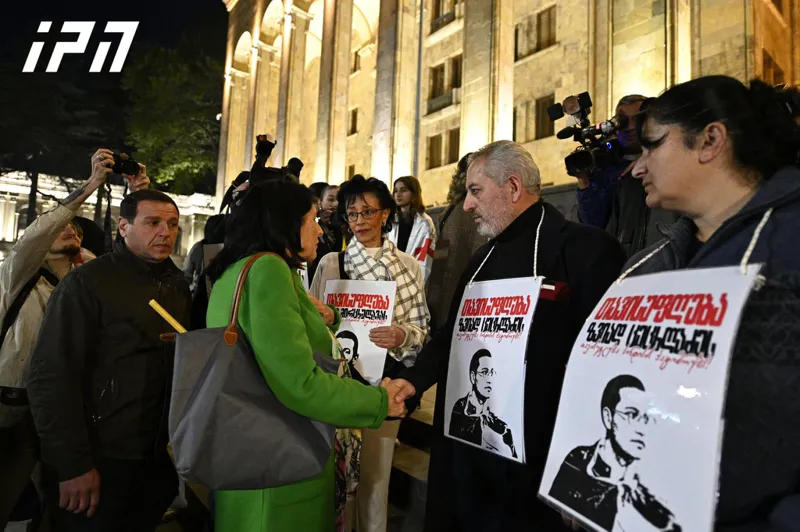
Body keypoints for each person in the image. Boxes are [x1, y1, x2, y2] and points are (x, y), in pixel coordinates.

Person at [385, 140, 625, 530]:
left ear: (513, 188)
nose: (466, 205)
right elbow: (453, 336)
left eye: (476, 191)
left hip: (532, 463)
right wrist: (413, 381)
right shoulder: (481, 260)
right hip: (468, 459)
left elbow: (600, 366)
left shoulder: (587, 251)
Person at [620, 75, 800, 530]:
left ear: (710, 141)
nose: (637, 168)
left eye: (652, 146)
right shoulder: (654, 262)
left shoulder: (791, 245)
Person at [204, 179, 406, 532]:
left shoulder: (240, 269)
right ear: (285, 223)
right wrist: (378, 402)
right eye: (311, 219)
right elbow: (300, 383)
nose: (318, 229)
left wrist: (332, 316)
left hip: (249, 449)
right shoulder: (269, 271)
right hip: (280, 461)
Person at [0, 149, 148, 528]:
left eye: (74, 228)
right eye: (59, 226)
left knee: (55, 503)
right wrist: (88, 187)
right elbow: (37, 235)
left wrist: (138, 194)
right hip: (9, 409)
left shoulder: (87, 272)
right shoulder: (19, 271)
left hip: (57, 411)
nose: (69, 229)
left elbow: (127, 266)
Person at [27, 189, 189, 532]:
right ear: (124, 227)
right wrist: (73, 465)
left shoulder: (177, 284)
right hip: (99, 458)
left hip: (153, 461)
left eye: (173, 224)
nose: (165, 232)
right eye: (153, 223)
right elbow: (51, 377)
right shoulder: (88, 282)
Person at [310, 175, 430, 532]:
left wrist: (401, 334)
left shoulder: (409, 267)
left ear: (385, 214)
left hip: (386, 383)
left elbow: (422, 331)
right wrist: (332, 319)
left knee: (377, 479)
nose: (360, 221)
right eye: (352, 213)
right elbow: (312, 326)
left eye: (367, 212)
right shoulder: (332, 263)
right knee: (337, 479)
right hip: (338, 383)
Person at [549, 375, 680, 530]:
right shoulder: (579, 459)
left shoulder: (648, 484)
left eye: (645, 418)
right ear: (608, 417)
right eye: (631, 415)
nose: (641, 429)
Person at [576, 95, 676, 258]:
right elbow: (592, 223)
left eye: (637, 120)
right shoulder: (604, 166)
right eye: (622, 121)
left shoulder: (669, 162)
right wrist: (584, 182)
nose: (629, 127)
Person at [448, 349, 516, 459]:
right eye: (484, 372)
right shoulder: (460, 407)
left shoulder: (500, 424)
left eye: (492, 373)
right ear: (473, 377)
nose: (489, 379)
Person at [387, 176, 437, 283]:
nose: (398, 194)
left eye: (403, 190)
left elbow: (425, 260)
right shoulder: (391, 222)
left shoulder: (425, 223)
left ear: (414, 193)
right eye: (395, 191)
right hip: (391, 281)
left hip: (412, 281)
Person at [309, 184, 346, 281]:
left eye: (339, 200)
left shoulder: (345, 226)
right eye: (331, 200)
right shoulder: (314, 223)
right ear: (320, 202)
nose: (335, 204)